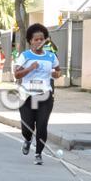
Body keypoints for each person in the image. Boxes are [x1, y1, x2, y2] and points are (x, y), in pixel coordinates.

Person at [14, 24, 61, 165]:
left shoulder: (51, 56)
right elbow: (16, 74)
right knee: (27, 127)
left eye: (42, 39)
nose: (39, 42)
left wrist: (54, 73)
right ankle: (27, 140)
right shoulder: (25, 56)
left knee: (42, 125)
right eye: (36, 39)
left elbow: (58, 71)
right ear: (30, 41)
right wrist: (30, 68)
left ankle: (38, 153)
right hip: (27, 95)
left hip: (45, 95)